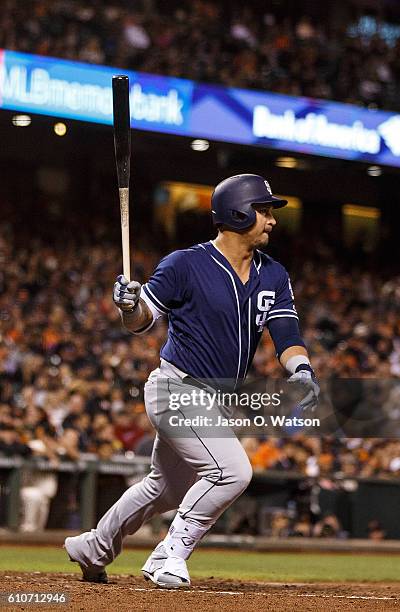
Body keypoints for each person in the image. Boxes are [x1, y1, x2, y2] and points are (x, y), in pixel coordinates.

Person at [64, 174, 319, 587]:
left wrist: (302, 369)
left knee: (162, 489)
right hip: (177, 390)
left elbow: (287, 334)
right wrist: (128, 307)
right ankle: (171, 555)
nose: (272, 220)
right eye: (264, 210)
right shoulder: (185, 263)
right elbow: (141, 321)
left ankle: (94, 546)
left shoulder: (273, 274)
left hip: (216, 402)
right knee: (233, 472)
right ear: (238, 212)